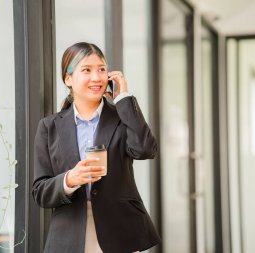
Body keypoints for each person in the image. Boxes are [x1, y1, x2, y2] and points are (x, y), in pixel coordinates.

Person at [32, 42, 161, 253]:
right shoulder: (49, 127)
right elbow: (40, 192)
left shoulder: (122, 116)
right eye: (87, 70)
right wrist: (70, 179)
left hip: (120, 233)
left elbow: (145, 149)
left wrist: (124, 97)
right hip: (69, 235)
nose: (96, 77)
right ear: (68, 79)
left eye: (102, 69)